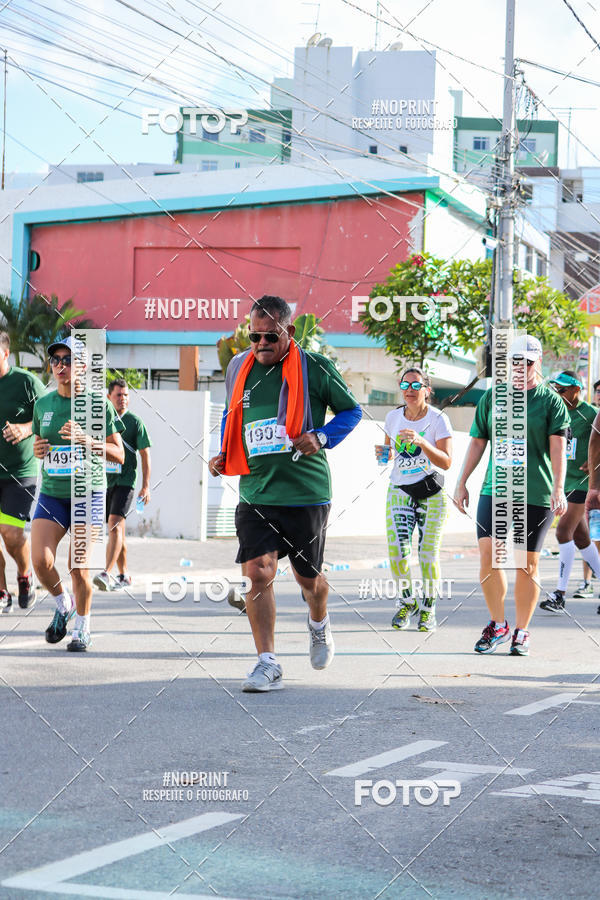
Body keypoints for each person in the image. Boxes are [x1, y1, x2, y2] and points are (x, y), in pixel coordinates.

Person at [209, 295, 362, 692]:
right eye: (254, 335)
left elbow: (352, 411)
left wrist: (322, 436)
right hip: (256, 490)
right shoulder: (238, 367)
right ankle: (267, 662)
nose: (261, 343)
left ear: (288, 332)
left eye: (270, 336)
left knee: (308, 580)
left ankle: (319, 621)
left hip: (305, 492)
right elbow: (234, 416)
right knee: (257, 573)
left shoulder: (314, 367)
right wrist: (225, 453)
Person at [454, 335, 569, 657]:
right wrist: (462, 481)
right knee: (489, 557)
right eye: (515, 361)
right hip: (496, 489)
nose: (521, 367)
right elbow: (478, 441)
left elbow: (557, 449)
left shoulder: (550, 401)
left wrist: (559, 488)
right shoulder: (493, 397)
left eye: (527, 362)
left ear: (538, 363)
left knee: (525, 563)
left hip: (533, 492)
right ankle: (498, 624)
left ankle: (522, 630)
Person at [31, 336, 124, 652]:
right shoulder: (43, 404)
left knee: (79, 568)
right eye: (55, 359)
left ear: (83, 366)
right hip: (53, 493)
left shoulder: (98, 404)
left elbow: (119, 454)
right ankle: (62, 602)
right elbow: (40, 446)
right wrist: (39, 449)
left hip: (88, 493)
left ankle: (82, 628)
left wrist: (87, 440)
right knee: (41, 561)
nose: (60, 366)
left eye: (68, 360)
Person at [376, 367, 452, 632]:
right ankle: (407, 602)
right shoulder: (393, 417)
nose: (410, 389)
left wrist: (422, 441)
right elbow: (388, 457)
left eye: (416, 385)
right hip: (400, 489)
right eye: (405, 384)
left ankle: (428, 609)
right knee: (397, 551)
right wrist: (382, 454)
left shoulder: (438, 419)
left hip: (431, 492)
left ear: (426, 391)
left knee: (428, 555)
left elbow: (446, 461)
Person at [540, 371, 600, 611]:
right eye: (555, 389)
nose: (558, 393)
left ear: (577, 389)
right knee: (582, 539)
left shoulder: (591, 413)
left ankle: (559, 594)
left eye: (562, 389)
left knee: (563, 532)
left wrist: (595, 463)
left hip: (583, 485)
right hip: (562, 483)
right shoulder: (555, 412)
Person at [0, 331, 46, 613]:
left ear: (5, 353)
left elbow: (49, 416)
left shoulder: (26, 382)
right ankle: (2, 591)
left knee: (11, 535)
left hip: (20, 472)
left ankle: (25, 574)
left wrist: (26, 428)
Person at [93, 378, 152, 591]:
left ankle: (106, 573)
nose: (123, 399)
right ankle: (124, 575)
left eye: (126, 395)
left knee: (114, 524)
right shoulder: (101, 422)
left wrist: (145, 486)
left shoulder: (135, 423)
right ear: (109, 397)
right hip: (105, 483)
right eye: (119, 395)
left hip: (126, 482)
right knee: (117, 529)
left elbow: (146, 455)